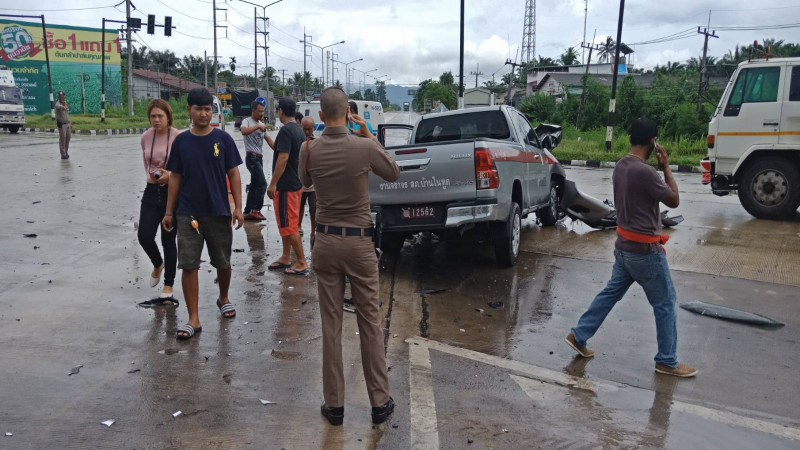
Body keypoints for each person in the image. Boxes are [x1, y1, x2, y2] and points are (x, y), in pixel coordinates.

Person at [565, 117, 696, 378]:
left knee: (610, 293)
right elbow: (674, 200)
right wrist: (666, 166)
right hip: (645, 252)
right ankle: (667, 360)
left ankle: (579, 335)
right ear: (653, 142)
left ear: (629, 139)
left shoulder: (621, 166)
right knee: (666, 303)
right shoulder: (646, 172)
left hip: (624, 248)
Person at [300, 87, 400, 425]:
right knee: (370, 323)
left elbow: (304, 181)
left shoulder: (308, 148)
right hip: (359, 245)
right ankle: (379, 403)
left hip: (326, 243)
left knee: (331, 327)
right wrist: (370, 136)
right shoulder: (364, 147)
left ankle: (335, 406)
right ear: (348, 113)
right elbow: (393, 172)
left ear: (322, 114)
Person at [162, 88, 244, 340]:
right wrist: (169, 212)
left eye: (208, 109)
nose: (204, 114)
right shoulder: (181, 141)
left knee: (223, 261)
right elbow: (175, 177)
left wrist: (238, 207)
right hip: (187, 212)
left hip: (218, 210)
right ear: (189, 110)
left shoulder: (223, 139)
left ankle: (224, 297)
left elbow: (234, 174)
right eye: (199, 109)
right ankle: (193, 319)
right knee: (189, 265)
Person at [139, 99, 180, 299]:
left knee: (168, 240)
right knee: (144, 236)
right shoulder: (146, 137)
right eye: (153, 116)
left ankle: (169, 285)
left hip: (171, 192)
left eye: (160, 116)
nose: (156, 120)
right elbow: (146, 163)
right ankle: (158, 264)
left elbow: (184, 168)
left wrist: (170, 176)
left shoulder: (178, 137)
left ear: (168, 116)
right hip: (151, 190)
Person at [266, 98, 308, 275]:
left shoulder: (285, 131)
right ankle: (285, 256)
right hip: (295, 183)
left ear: (281, 111)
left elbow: (282, 158)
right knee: (285, 222)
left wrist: (273, 183)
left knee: (289, 225)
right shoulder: (298, 130)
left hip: (286, 186)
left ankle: (301, 262)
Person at [240, 100, 269, 221]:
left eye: (263, 111)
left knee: (254, 185)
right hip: (251, 158)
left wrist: (280, 150)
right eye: (260, 111)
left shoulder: (261, 123)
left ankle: (247, 212)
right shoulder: (247, 121)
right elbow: (243, 131)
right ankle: (256, 210)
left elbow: (268, 139)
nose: (262, 113)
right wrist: (257, 126)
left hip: (259, 158)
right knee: (262, 183)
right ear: (253, 110)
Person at [298, 116, 317, 246]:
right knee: (299, 207)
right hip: (299, 183)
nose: (306, 132)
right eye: (304, 129)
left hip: (313, 185)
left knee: (313, 209)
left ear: (313, 129)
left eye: (309, 129)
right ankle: (298, 227)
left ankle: (313, 232)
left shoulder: (317, 143)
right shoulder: (298, 141)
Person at [55, 91, 71, 159]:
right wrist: (62, 106)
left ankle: (66, 152)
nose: (62, 98)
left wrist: (70, 123)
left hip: (67, 124)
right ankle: (63, 154)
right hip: (62, 125)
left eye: (63, 96)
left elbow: (67, 115)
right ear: (58, 97)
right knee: (62, 139)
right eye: (60, 97)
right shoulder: (58, 104)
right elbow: (57, 106)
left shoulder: (66, 103)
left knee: (68, 139)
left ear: (65, 97)